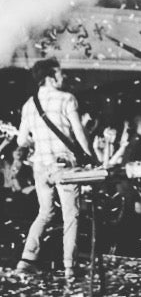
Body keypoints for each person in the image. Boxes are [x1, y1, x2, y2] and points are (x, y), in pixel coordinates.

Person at [15, 58, 94, 281]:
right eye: (60, 74)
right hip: (64, 165)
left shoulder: (29, 104)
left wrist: (38, 140)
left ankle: (26, 259)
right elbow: (79, 134)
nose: (64, 77)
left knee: (45, 213)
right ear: (50, 77)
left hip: (41, 167)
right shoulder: (67, 99)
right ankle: (69, 266)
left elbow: (22, 141)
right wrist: (91, 157)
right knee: (71, 214)